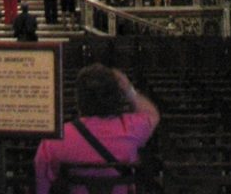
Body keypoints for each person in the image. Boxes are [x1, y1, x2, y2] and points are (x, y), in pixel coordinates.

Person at [34, 64, 159, 194]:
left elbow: (41, 186)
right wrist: (129, 89)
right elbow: (152, 114)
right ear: (116, 96)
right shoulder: (130, 128)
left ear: (79, 99)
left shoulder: (57, 137)